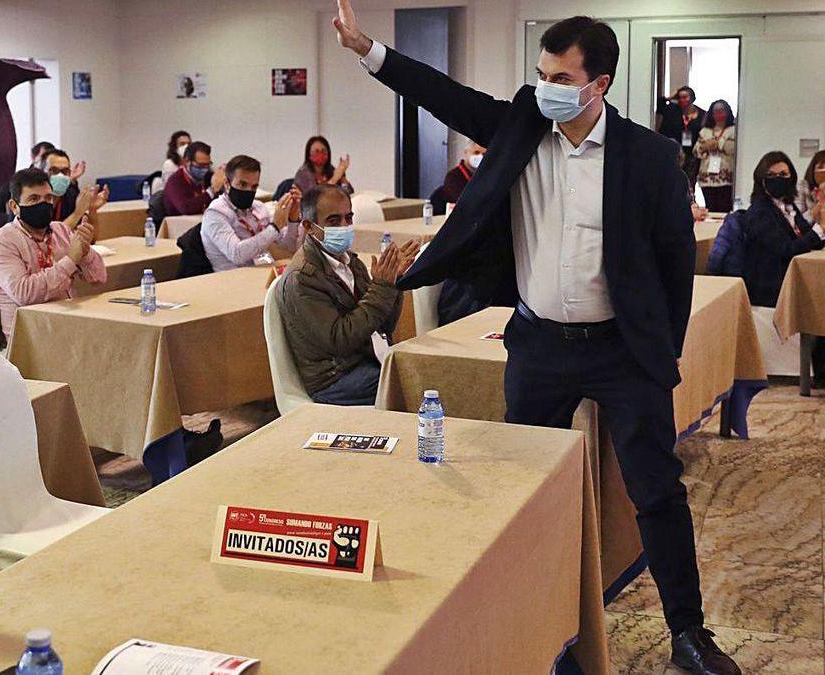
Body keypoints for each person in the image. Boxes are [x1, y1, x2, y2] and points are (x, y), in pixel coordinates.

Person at [333, 5, 738, 673]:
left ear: (598, 84)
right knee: (527, 491)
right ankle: (541, 628)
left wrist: (663, 344)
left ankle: (689, 631)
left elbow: (673, 258)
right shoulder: (524, 121)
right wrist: (369, 50)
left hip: (621, 349)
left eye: (559, 76)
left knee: (656, 488)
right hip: (540, 345)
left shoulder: (649, 154)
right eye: (540, 73)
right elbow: (445, 96)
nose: (544, 86)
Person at [277, 184, 417, 405]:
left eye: (348, 218)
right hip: (334, 379)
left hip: (367, 358)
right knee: (413, 384)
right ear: (309, 227)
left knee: (425, 367)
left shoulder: (351, 262)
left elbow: (383, 326)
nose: (344, 226)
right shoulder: (302, 278)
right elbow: (340, 340)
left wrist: (393, 283)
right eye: (334, 221)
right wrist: (381, 288)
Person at [0, 168, 107, 341]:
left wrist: (85, 252)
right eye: (34, 199)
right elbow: (25, 294)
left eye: (48, 198)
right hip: (30, 339)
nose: (43, 204)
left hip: (68, 328)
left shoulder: (61, 230)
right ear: (14, 206)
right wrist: (71, 260)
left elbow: (99, 278)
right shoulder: (3, 242)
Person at [741, 151, 825, 387]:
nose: (779, 178)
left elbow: (805, 237)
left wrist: (819, 228)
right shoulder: (759, 213)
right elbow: (786, 249)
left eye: (784, 174)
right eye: (772, 175)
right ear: (761, 179)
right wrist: (820, 229)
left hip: (790, 276)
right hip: (770, 283)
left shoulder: (787, 207)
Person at [201, 155, 303, 272]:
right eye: (242, 184)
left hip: (262, 269)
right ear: (227, 184)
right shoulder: (215, 213)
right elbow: (237, 254)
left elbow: (288, 248)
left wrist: (292, 221)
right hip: (232, 278)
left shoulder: (258, 207)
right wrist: (275, 227)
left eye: (254, 187)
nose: (248, 191)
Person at [691, 100, 737, 213]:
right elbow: (696, 151)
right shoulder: (704, 131)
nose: (719, 114)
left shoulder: (734, 131)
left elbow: (733, 150)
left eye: (722, 111)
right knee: (710, 208)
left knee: (724, 209)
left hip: (726, 179)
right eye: (716, 111)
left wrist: (718, 144)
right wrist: (705, 147)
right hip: (706, 179)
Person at [656, 86, 705, 189]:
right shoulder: (672, 109)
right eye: (680, 97)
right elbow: (658, 104)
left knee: (689, 184)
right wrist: (671, 97)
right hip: (673, 151)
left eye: (685, 97)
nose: (682, 100)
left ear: (692, 97)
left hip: (692, 155)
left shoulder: (701, 114)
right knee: (671, 182)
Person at [163, 141, 227, 216]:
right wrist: (211, 191)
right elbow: (186, 208)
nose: (205, 169)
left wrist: (225, 184)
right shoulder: (175, 181)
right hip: (180, 225)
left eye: (208, 164)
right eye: (201, 165)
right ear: (186, 162)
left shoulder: (208, 176)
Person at [431, 142, 486, 213]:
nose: (480, 157)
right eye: (476, 152)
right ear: (466, 153)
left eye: (484, 154)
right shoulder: (453, 177)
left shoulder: (487, 175)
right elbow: (466, 203)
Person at [794, 149, 825, 224]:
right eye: (821, 167)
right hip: (810, 233)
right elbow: (797, 222)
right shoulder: (802, 186)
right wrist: (820, 203)